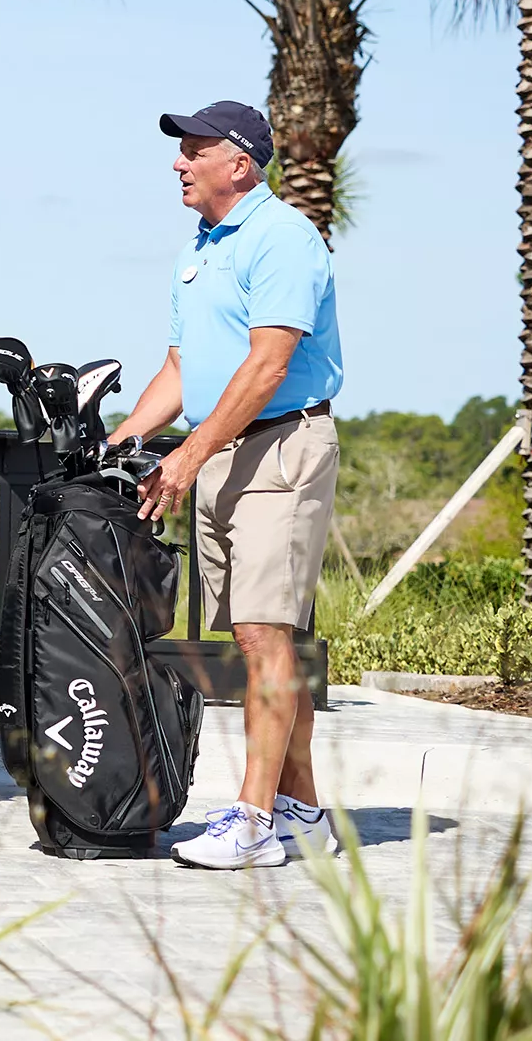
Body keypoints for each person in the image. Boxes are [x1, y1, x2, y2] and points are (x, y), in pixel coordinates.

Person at [110, 101, 343, 870]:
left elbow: (269, 364)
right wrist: (121, 441)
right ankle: (303, 812)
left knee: (263, 634)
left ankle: (253, 819)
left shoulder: (282, 238)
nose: (178, 163)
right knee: (265, 639)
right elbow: (180, 371)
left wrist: (190, 455)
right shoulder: (202, 248)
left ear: (239, 164)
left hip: (279, 449)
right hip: (225, 452)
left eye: (194, 151)